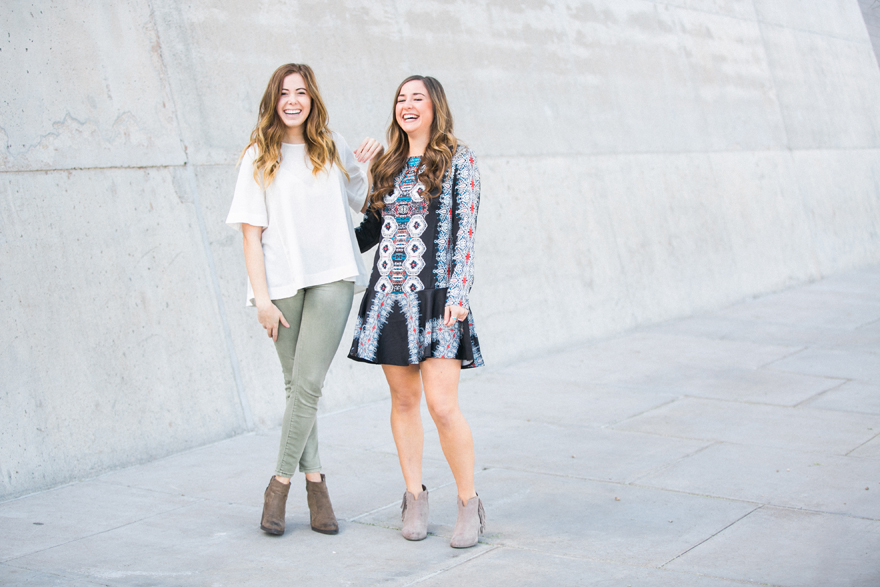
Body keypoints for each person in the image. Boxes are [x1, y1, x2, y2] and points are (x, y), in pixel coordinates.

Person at [225, 63, 382, 537]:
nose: (293, 100)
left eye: (302, 92)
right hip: (283, 285)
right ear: (274, 100)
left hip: (334, 274)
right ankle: (318, 488)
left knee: (307, 383)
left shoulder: (330, 146)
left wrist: (367, 166)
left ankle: (278, 485)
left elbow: (359, 199)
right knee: (297, 386)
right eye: (284, 93)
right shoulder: (258, 155)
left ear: (312, 99)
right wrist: (263, 300)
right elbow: (251, 238)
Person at [348, 75, 485, 548]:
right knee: (404, 402)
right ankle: (413, 496)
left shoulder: (457, 160)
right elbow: (366, 233)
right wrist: (350, 174)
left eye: (417, 98)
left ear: (434, 107)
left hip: (440, 299)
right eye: (401, 99)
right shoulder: (385, 164)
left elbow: (466, 230)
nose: (407, 105)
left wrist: (459, 295)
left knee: (443, 406)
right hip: (390, 299)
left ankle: (468, 503)